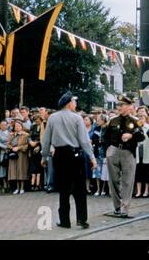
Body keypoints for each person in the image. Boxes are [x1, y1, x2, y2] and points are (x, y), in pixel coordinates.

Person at [41, 91, 97, 229]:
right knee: (79, 189)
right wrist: (91, 157)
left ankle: (64, 220)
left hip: (59, 156)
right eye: (74, 102)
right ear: (69, 103)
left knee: (64, 190)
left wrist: (44, 156)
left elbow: (46, 139)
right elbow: (84, 141)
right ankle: (82, 219)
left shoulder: (52, 118)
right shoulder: (77, 118)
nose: (76, 104)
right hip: (75, 156)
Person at [102, 96, 145, 218]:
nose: (119, 108)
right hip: (114, 150)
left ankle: (125, 208)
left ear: (129, 106)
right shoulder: (113, 120)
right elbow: (105, 136)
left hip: (128, 152)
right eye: (118, 105)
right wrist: (108, 150)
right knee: (114, 180)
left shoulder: (135, 121)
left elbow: (142, 136)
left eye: (122, 105)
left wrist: (131, 136)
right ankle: (116, 207)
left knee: (127, 181)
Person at [7, 120, 29, 195]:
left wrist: (19, 148)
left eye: (18, 126)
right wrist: (12, 148)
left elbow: (27, 145)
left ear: (22, 127)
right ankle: (17, 188)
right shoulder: (12, 135)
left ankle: (22, 188)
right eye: (15, 126)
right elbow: (8, 144)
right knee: (15, 171)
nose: (17, 128)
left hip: (22, 155)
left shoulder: (26, 135)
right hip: (13, 154)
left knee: (21, 170)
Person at [134, 114, 149, 198]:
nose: (141, 119)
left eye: (142, 118)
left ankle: (146, 191)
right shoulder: (135, 128)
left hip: (147, 152)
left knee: (147, 173)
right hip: (137, 152)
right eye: (139, 118)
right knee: (138, 173)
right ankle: (138, 191)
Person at [0, 121, 10, 190]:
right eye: (2, 125)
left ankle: (9, 181)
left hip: (10, 150)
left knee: (9, 166)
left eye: (5, 125)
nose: (3, 126)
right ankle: (4, 182)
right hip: (2, 151)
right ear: (0, 126)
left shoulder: (10, 132)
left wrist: (9, 148)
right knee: (2, 166)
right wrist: (5, 147)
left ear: (7, 125)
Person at [28, 115, 43, 191]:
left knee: (39, 165)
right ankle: (32, 184)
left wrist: (38, 144)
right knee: (33, 165)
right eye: (35, 120)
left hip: (40, 146)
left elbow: (43, 137)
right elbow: (29, 136)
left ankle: (39, 184)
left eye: (38, 119)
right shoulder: (32, 127)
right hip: (32, 146)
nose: (37, 121)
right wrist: (30, 142)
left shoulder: (43, 126)